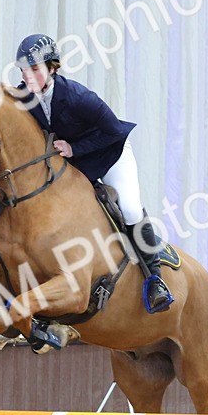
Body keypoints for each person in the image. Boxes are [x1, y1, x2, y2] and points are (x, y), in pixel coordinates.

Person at [14, 33, 173, 314]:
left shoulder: (78, 97)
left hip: (110, 155)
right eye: (24, 70)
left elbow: (113, 131)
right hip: (76, 164)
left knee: (131, 208)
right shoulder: (24, 97)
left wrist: (75, 148)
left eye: (35, 69)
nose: (28, 76)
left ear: (52, 68)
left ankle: (155, 279)